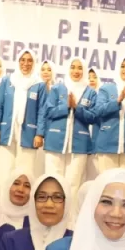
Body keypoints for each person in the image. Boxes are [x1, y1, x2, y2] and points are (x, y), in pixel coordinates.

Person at [39, 57, 96, 191]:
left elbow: (93, 117)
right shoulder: (58, 88)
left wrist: (77, 108)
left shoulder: (91, 92)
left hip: (79, 145)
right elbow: (48, 111)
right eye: (73, 67)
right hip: (55, 142)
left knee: (73, 185)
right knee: (53, 181)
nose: (76, 71)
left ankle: (70, 207)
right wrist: (66, 107)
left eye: (80, 68)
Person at [0, 49, 43, 181]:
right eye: (22, 60)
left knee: (24, 174)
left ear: (34, 63)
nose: (26, 63)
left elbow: (42, 111)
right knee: (4, 174)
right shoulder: (7, 81)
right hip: (7, 131)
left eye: (29, 60)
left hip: (28, 134)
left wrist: (39, 134)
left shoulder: (38, 84)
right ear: (18, 61)